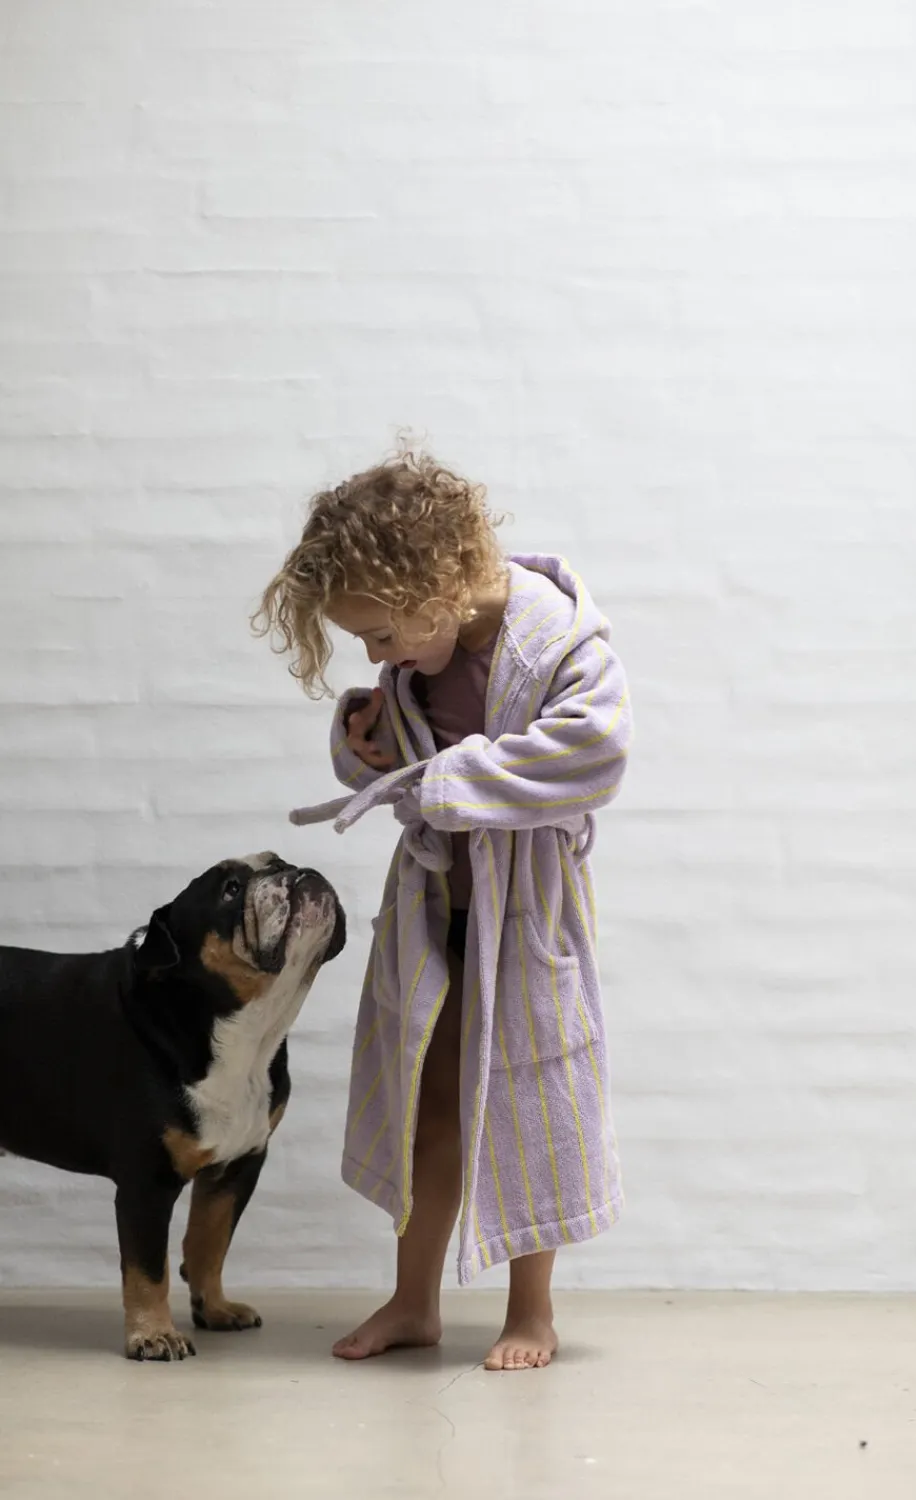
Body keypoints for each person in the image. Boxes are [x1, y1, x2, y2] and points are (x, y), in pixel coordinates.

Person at [255, 448, 631, 1371]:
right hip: (433, 909)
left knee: (526, 1104)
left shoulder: (560, 642)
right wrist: (365, 745)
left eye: (381, 634)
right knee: (425, 1105)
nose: (376, 656)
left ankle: (532, 1312)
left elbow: (596, 753)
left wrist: (444, 778)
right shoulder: (424, 655)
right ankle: (413, 1301)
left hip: (526, 917)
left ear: (437, 589)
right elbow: (407, 758)